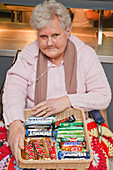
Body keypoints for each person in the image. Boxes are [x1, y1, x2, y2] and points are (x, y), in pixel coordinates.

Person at [2, 0, 111, 169]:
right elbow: (13, 89)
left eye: (55, 35)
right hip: (34, 126)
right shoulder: (29, 55)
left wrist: (67, 101)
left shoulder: (85, 54)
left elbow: (103, 95)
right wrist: (15, 123)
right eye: (43, 37)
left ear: (68, 31)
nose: (49, 43)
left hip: (76, 129)